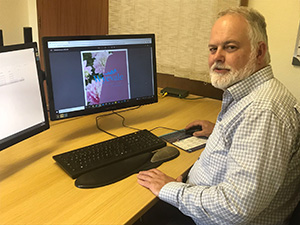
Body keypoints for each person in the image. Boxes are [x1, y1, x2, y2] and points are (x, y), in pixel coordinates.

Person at [137, 6, 300, 225]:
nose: (217, 57)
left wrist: (170, 188)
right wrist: (222, 132)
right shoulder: (251, 96)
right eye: (213, 49)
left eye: (230, 47)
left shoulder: (264, 111)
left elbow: (234, 207)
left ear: (259, 52)